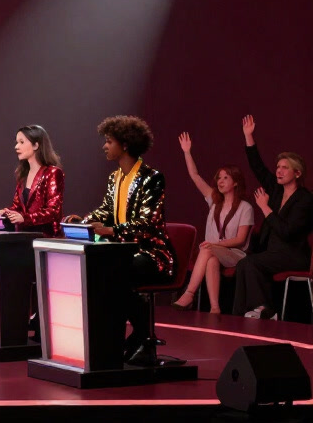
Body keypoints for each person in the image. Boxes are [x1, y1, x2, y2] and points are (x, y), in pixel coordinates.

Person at [76, 115, 174, 363]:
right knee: (102, 269)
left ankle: (142, 335)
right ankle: (121, 339)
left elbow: (147, 224)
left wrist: (110, 231)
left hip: (152, 253)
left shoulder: (152, 178)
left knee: (114, 271)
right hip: (122, 252)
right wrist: (84, 221)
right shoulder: (115, 177)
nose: (104, 146)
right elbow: (106, 210)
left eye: (109, 141)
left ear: (126, 144)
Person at [232, 115, 313, 319]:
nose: (279, 171)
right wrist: (248, 136)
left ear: (297, 173)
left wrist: (265, 207)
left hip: (294, 255)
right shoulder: (276, 191)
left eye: (285, 167)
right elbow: (258, 167)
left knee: (250, 263)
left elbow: (287, 232)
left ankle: (264, 309)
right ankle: (239, 314)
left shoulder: (305, 199)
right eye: (278, 167)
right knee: (244, 264)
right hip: (273, 253)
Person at [171, 132, 254, 314]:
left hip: (235, 254)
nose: (220, 181)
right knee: (212, 260)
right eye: (219, 178)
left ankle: (189, 293)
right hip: (213, 251)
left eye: (226, 178)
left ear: (236, 183)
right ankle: (215, 308)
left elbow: (240, 240)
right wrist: (187, 152)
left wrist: (215, 244)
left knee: (207, 249)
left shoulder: (245, 207)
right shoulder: (214, 200)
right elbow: (195, 175)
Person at [0, 125, 64, 237]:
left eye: (22, 142)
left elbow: (53, 211)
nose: (16, 147)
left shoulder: (53, 172)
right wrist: (4, 212)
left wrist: (25, 218)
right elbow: (17, 207)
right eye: (17, 142)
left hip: (46, 238)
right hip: (24, 235)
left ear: (36, 145)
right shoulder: (23, 173)